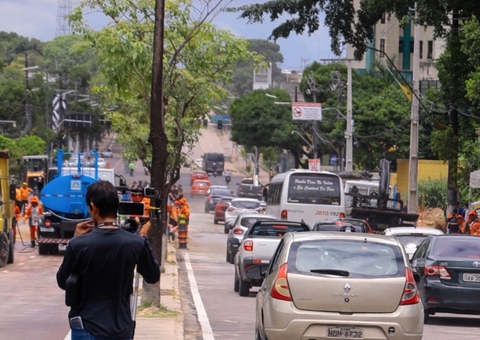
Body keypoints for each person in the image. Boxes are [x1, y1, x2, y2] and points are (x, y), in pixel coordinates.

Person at [56, 181, 160, 340]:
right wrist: (144, 237)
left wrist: (75, 239)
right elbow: (153, 276)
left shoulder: (79, 245)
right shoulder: (135, 243)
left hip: (87, 328)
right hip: (121, 329)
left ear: (93, 207)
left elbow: (63, 281)